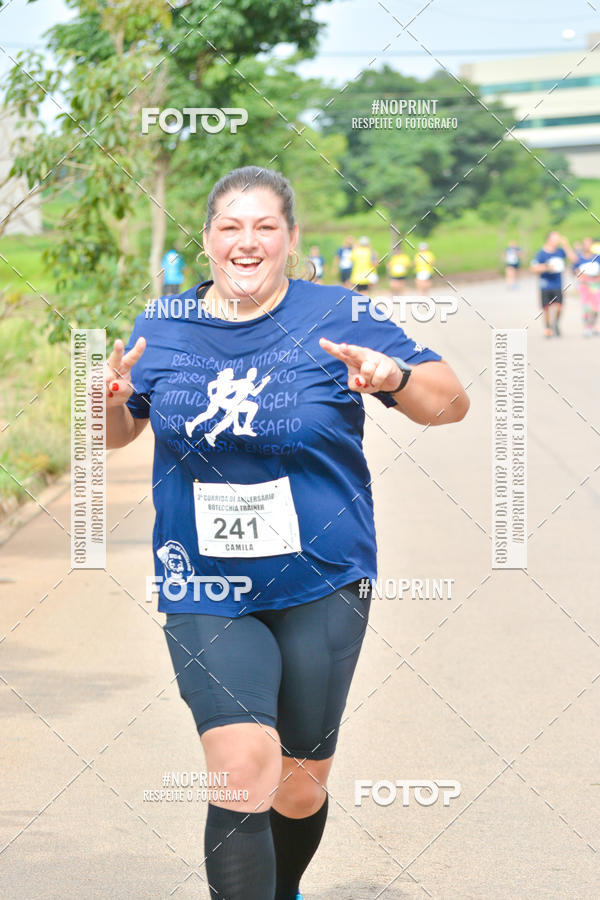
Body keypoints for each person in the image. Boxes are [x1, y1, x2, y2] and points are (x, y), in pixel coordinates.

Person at [106, 166, 469, 900]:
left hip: (322, 579)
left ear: (291, 240)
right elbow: (116, 434)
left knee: (298, 786)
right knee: (243, 768)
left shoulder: (337, 313)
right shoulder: (163, 323)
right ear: (207, 239)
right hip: (204, 580)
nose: (248, 242)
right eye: (231, 227)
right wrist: (104, 401)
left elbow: (449, 404)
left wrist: (393, 375)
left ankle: (285, 887)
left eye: (265, 227)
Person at [530, 231, 577, 337]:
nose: (558, 241)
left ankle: (555, 322)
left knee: (559, 307)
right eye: (556, 239)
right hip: (545, 285)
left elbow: (574, 259)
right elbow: (533, 268)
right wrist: (547, 267)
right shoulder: (541, 253)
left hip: (557, 284)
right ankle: (547, 328)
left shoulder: (560, 251)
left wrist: (566, 245)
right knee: (546, 308)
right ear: (549, 240)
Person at [573, 236, 600, 337]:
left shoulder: (597, 257)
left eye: (589, 243)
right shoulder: (579, 258)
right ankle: (587, 327)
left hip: (596, 285)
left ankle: (594, 325)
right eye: (585, 243)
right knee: (586, 307)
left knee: (596, 307)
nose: (587, 246)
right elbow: (575, 270)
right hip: (584, 286)